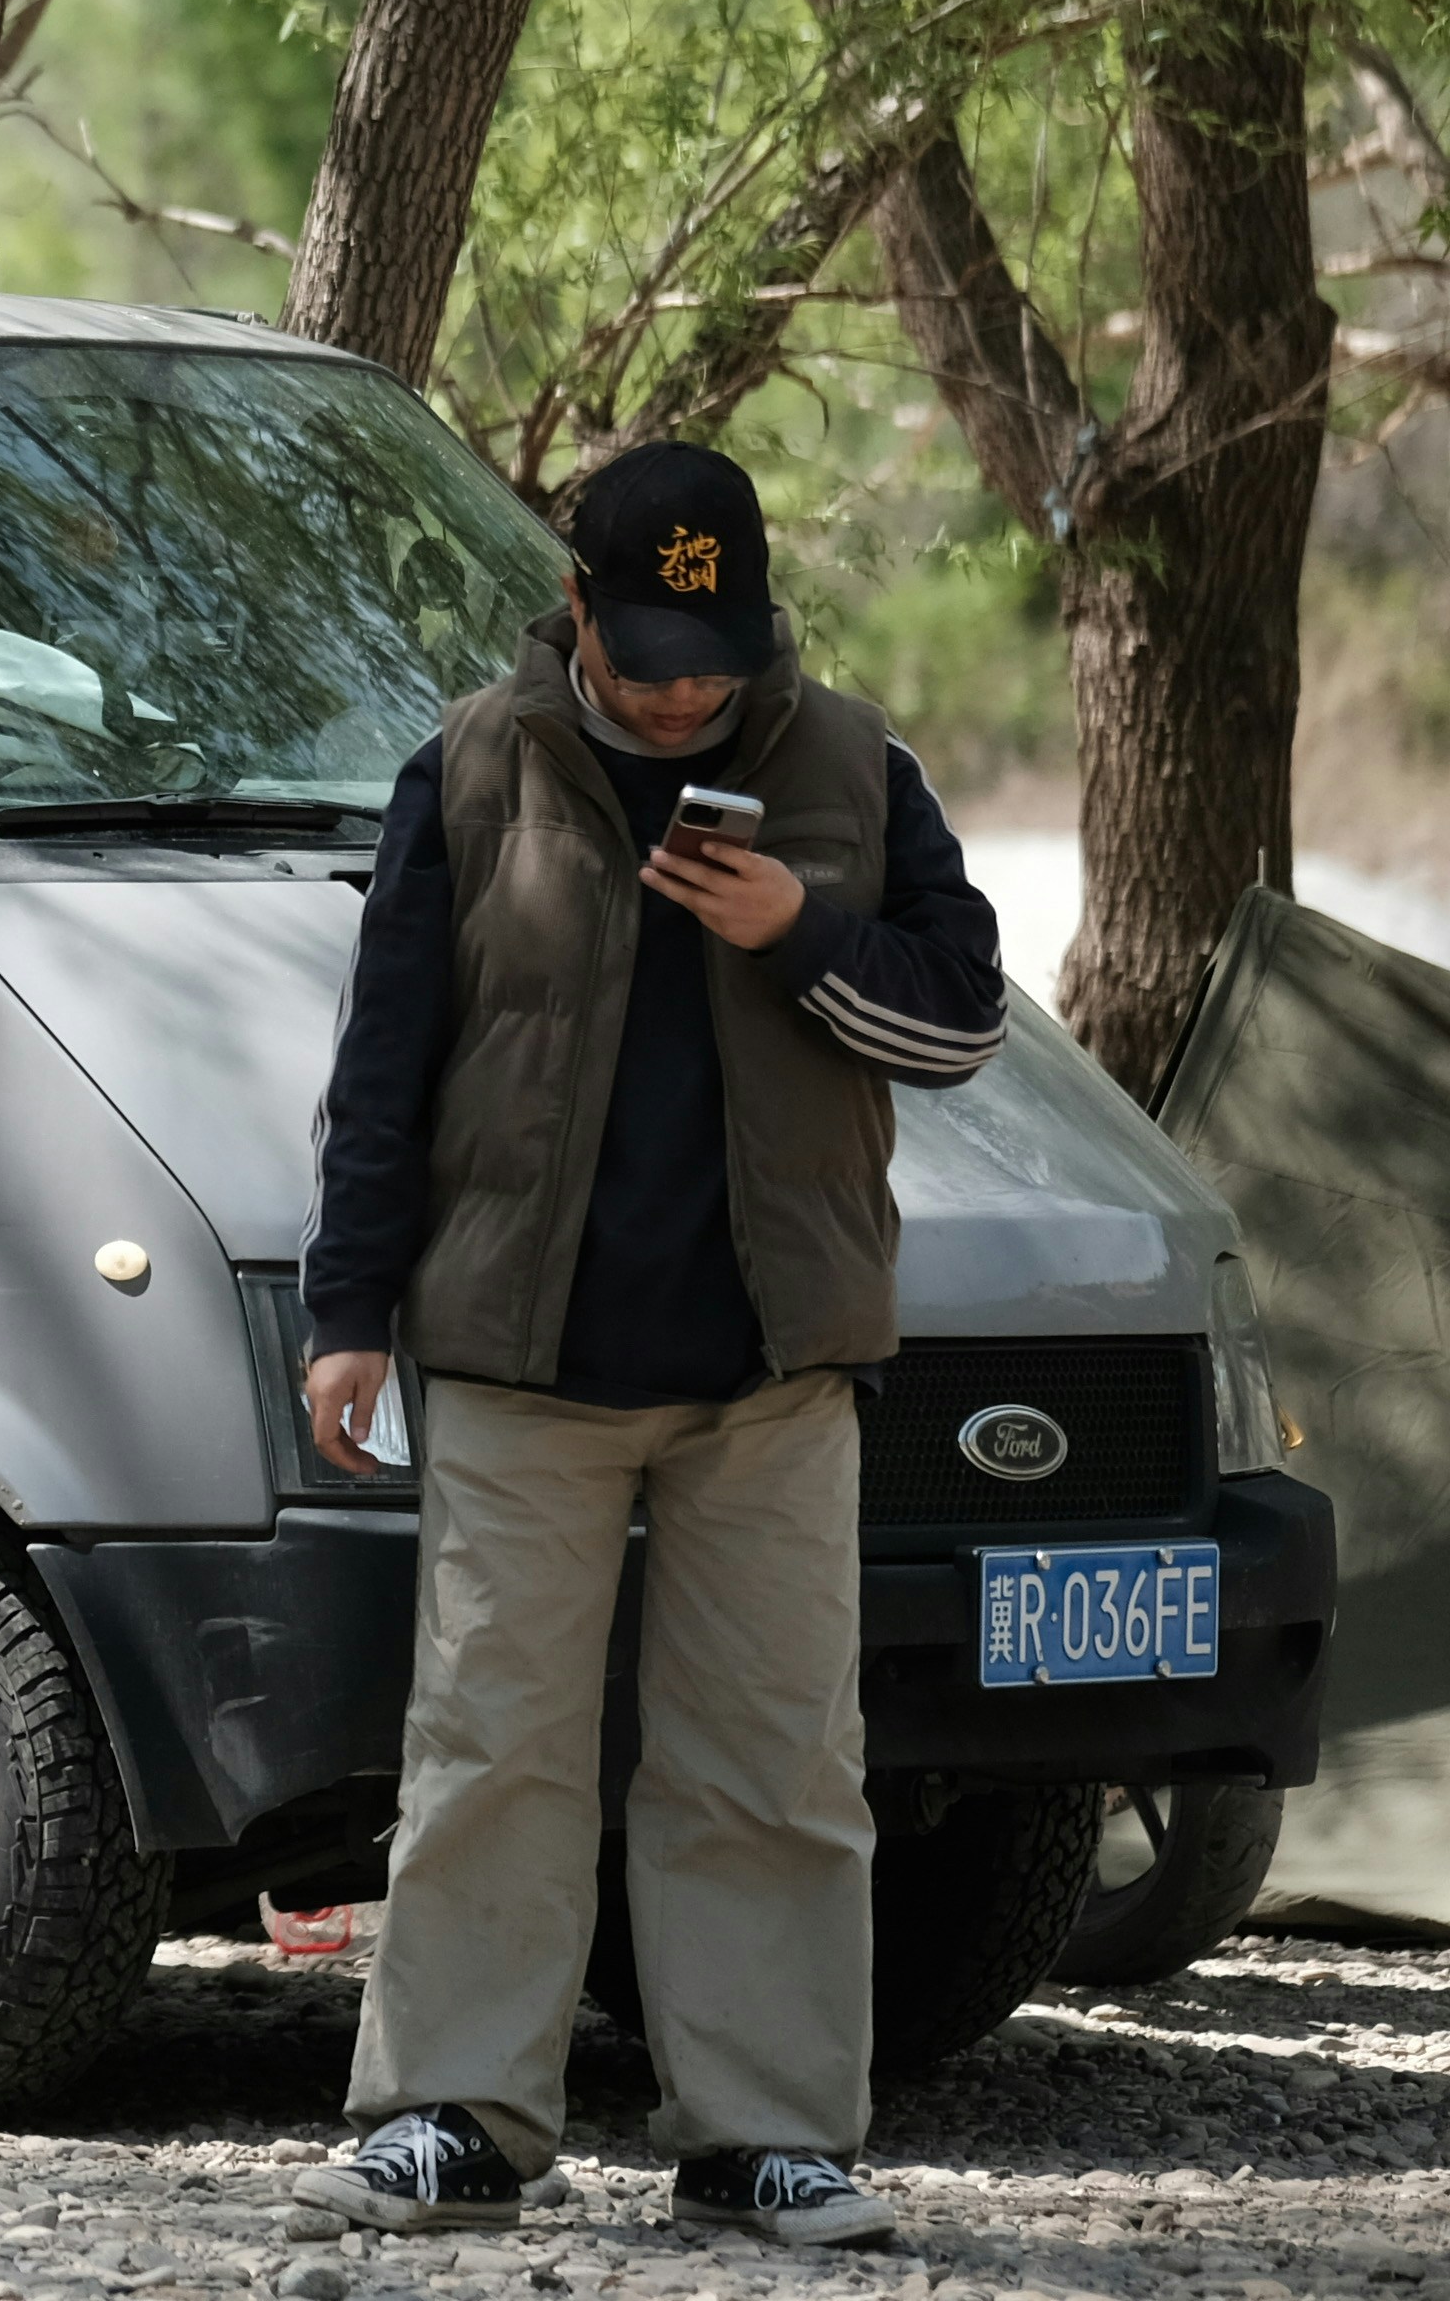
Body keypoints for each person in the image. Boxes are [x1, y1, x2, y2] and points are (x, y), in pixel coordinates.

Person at [285, 442, 1003, 2251]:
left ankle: (765, 2135)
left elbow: (962, 1024)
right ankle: (453, 2116)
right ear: (580, 608)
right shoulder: (467, 768)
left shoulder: (852, 764)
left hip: (772, 1369)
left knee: (771, 1759)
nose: (690, 684)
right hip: (525, 1359)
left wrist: (800, 934)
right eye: (656, 643)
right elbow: (386, 1065)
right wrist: (349, 1311)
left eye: (722, 648)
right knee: (491, 1749)